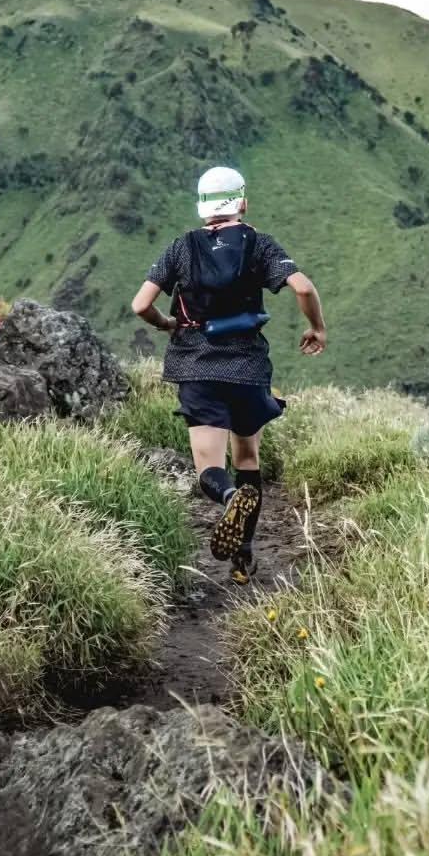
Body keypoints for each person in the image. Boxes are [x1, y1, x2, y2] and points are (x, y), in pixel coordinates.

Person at [131, 165, 327, 584]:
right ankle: (244, 556)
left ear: (201, 206)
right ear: (242, 201)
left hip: (196, 364)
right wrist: (317, 328)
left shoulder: (181, 248)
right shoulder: (259, 244)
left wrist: (166, 323)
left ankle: (228, 497)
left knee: (209, 469)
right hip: (248, 366)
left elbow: (139, 305)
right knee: (247, 458)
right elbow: (304, 288)